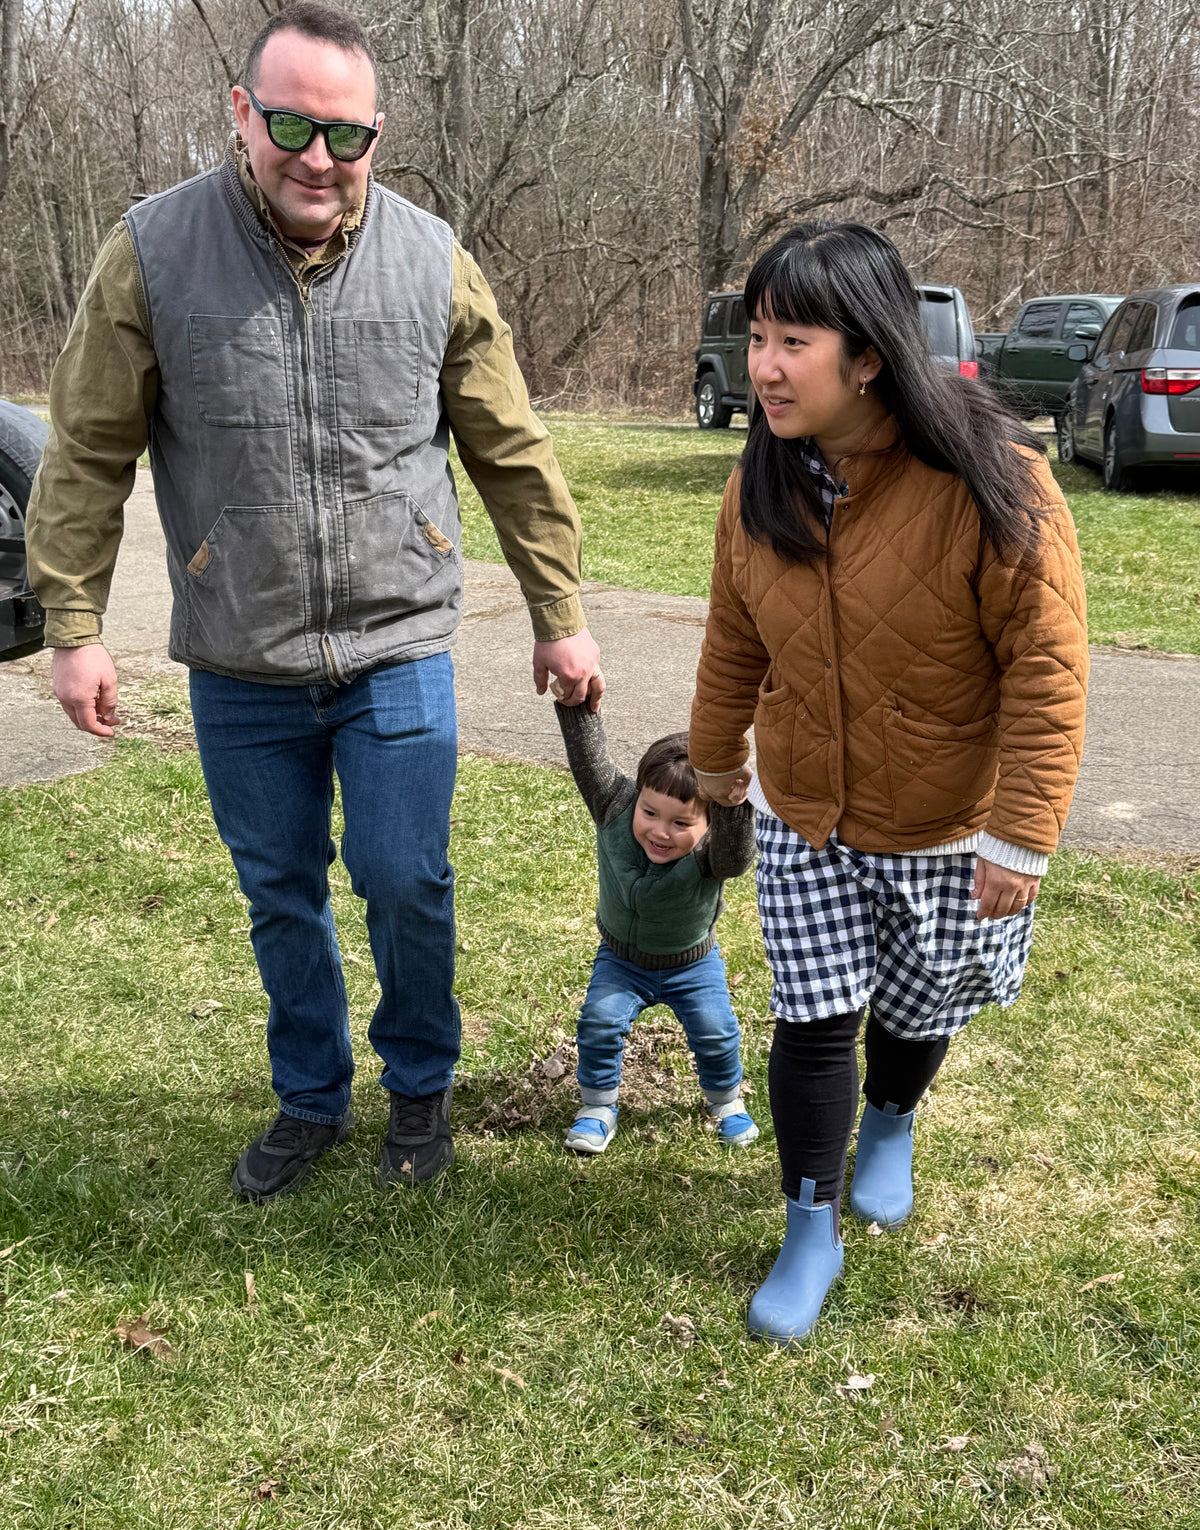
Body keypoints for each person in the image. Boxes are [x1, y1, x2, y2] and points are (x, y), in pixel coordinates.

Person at [25, 2, 602, 1203]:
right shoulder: (154, 252)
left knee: (406, 878)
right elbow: (83, 451)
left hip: (397, 643)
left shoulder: (431, 256)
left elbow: (511, 447)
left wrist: (559, 609)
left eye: (350, 135)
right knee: (278, 888)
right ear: (241, 115)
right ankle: (308, 1098)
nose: (319, 158)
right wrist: (72, 626)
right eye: (290, 124)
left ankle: (420, 1087)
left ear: (377, 136)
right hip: (239, 654)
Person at [687, 222, 1089, 1344]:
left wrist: (1021, 833)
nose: (763, 365)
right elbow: (731, 641)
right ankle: (807, 1226)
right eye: (756, 336)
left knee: (919, 1006)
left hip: (946, 823)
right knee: (815, 1017)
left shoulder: (996, 482)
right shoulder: (758, 484)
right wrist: (718, 763)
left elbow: (1049, 669)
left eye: (793, 340)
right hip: (805, 812)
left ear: (866, 355)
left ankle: (896, 1113)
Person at [553, 697, 757, 1154]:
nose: (660, 832)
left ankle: (725, 1101)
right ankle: (597, 1108)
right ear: (637, 796)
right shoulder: (613, 807)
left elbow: (738, 858)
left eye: (681, 822)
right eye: (651, 812)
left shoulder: (712, 852)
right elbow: (589, 759)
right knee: (600, 1022)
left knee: (715, 1030)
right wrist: (576, 702)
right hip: (621, 961)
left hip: (693, 965)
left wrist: (732, 806)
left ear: (707, 824)